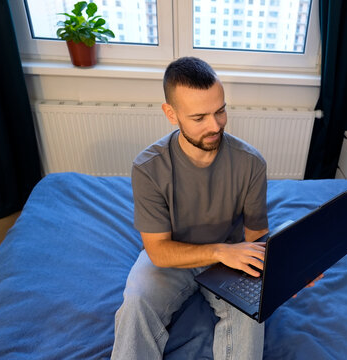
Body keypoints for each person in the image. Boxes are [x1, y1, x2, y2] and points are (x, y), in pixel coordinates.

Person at [111, 57, 270, 359]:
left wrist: (284, 267)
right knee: (136, 304)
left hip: (232, 259)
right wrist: (218, 251)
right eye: (199, 118)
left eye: (220, 111)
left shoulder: (251, 163)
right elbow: (158, 251)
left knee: (252, 315)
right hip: (172, 255)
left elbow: (258, 236)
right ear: (171, 114)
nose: (215, 126)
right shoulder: (148, 167)